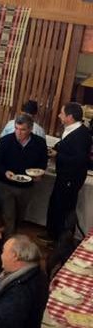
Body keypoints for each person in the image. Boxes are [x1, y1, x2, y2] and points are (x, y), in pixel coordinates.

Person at [0, 114, 49, 235]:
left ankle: (13, 239)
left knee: (20, 215)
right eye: (16, 128)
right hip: (6, 184)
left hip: (26, 186)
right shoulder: (6, 140)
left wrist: (39, 174)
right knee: (9, 216)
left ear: (30, 129)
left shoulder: (39, 143)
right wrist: (5, 171)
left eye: (22, 129)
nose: (18, 132)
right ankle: (6, 246)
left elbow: (43, 162)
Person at [46, 103, 93, 241]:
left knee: (65, 207)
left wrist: (57, 155)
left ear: (70, 117)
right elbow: (65, 145)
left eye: (62, 113)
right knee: (55, 203)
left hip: (71, 178)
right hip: (63, 175)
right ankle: (52, 234)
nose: (59, 115)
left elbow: (80, 159)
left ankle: (62, 239)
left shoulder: (82, 135)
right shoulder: (69, 129)